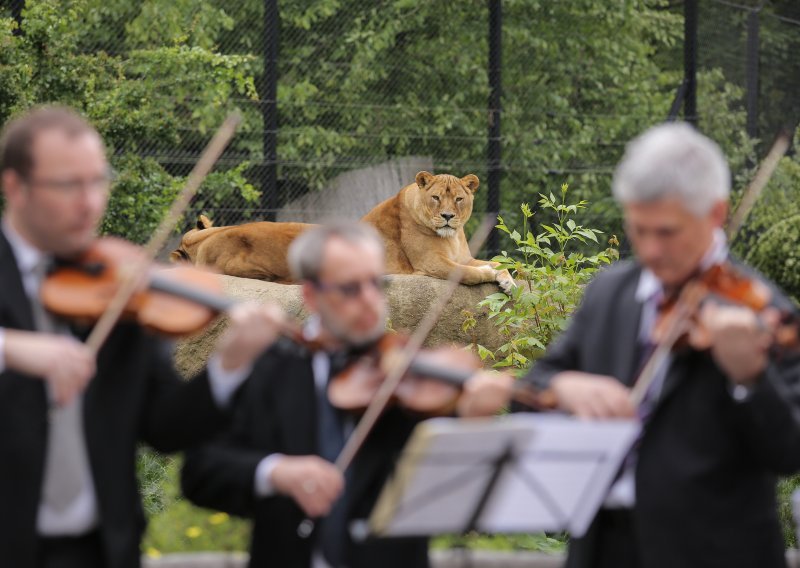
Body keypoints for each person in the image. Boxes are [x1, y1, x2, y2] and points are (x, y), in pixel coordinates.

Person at [0, 106, 284, 568]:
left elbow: (165, 427)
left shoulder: (118, 287)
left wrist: (229, 364)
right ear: (15, 186)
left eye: (98, 181)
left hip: (99, 551)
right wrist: (10, 347)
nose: (90, 203)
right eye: (69, 185)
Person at [516, 122, 800, 568]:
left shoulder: (765, 312)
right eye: (638, 229)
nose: (650, 249)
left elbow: (789, 450)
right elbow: (532, 387)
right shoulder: (609, 292)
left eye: (666, 232)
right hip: (604, 550)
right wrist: (565, 387)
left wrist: (751, 378)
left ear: (715, 213)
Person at [181, 221, 512, 568]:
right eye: (350, 289)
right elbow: (200, 473)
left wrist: (470, 422)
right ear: (311, 295)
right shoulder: (269, 370)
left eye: (375, 283)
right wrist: (274, 472)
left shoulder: (407, 379)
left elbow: (451, 493)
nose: (370, 301)